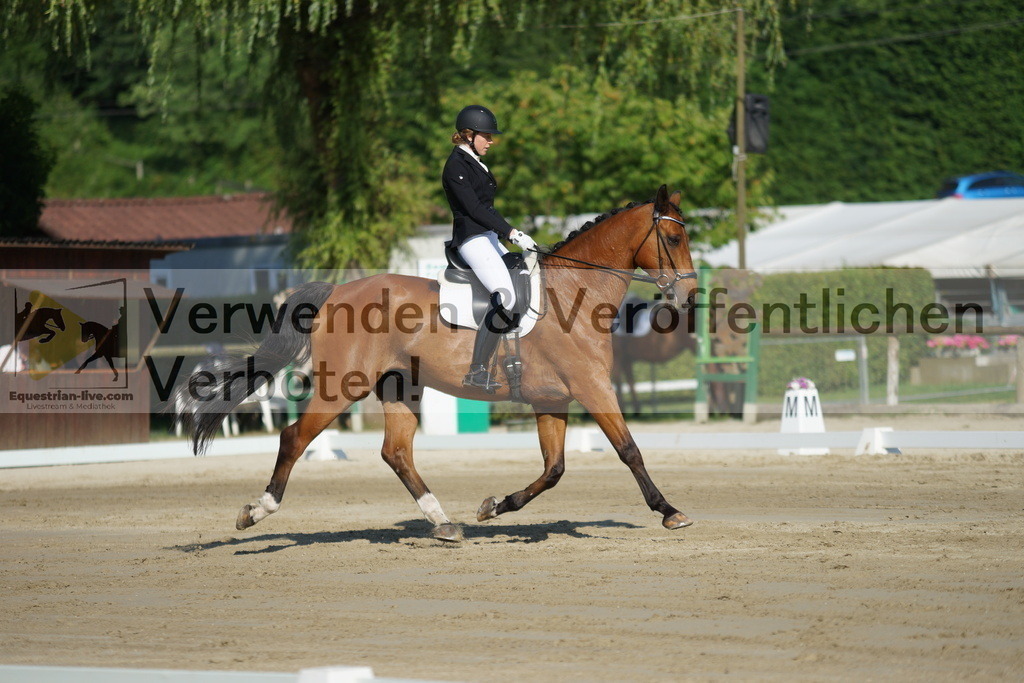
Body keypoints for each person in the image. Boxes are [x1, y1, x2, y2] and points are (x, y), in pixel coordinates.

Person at [442, 104, 537, 391]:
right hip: (471, 240)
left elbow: (488, 209)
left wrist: (510, 235)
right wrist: (510, 232)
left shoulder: (475, 161)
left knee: (524, 271)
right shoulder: (456, 165)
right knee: (505, 295)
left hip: (488, 238)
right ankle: (478, 369)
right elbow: (473, 209)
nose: (491, 141)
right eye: (487, 135)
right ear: (468, 134)